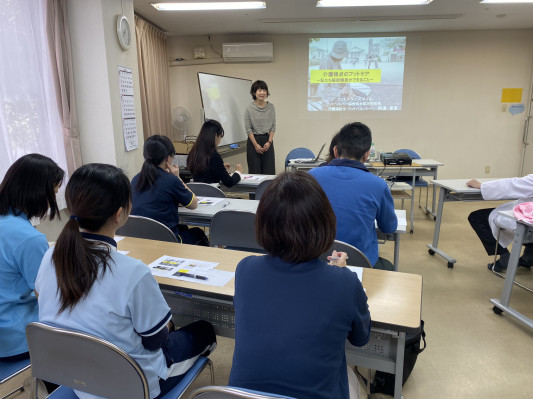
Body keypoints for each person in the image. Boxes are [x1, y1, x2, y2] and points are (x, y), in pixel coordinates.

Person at [35, 163, 217, 399]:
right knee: (204, 331)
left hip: (77, 378)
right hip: (133, 384)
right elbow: (155, 341)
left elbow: (45, 301)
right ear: (120, 214)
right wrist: (167, 323)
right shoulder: (133, 272)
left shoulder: (51, 256)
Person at [229, 171, 371, 399]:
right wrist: (339, 275)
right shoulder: (345, 283)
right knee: (351, 379)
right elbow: (360, 339)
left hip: (243, 396)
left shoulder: (244, 269)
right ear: (325, 222)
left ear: (263, 222)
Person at [0, 154, 64, 361]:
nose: (51, 201)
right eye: (53, 193)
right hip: (16, 337)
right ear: (38, 192)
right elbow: (48, 297)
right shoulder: (29, 239)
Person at [309, 122, 397, 269]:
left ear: (335, 150)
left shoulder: (310, 177)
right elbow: (389, 227)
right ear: (367, 154)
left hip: (315, 258)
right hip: (360, 262)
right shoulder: (378, 185)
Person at [132, 135, 208, 245]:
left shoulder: (136, 179)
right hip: (167, 241)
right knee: (198, 233)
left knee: (183, 227)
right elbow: (194, 204)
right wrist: (177, 177)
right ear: (168, 158)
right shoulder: (171, 180)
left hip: (139, 239)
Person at [467, 176, 533, 272]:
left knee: (476, 217)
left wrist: (482, 186)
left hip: (527, 223)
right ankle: (529, 257)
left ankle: (504, 258)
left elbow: (511, 185)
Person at [187, 119, 242, 187]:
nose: (220, 140)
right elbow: (229, 182)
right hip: (212, 195)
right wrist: (238, 172)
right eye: (220, 137)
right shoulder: (214, 156)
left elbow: (204, 171)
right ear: (216, 135)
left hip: (198, 195)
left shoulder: (194, 152)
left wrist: (220, 166)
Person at [245, 80, 276, 175]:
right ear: (254, 93)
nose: (262, 93)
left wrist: (269, 142)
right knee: (255, 171)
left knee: (269, 171)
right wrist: (255, 145)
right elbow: (248, 128)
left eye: (264, 90)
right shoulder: (249, 108)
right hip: (253, 141)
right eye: (259, 90)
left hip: (268, 141)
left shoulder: (271, 107)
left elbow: (273, 126)